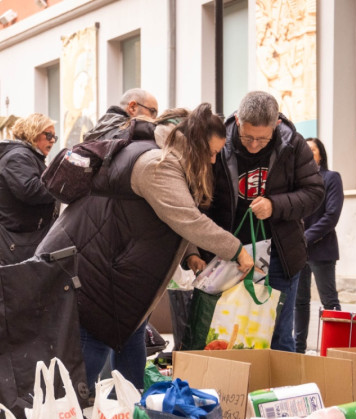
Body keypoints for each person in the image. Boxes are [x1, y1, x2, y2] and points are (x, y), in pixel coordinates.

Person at [37, 104, 253, 390]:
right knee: (90, 358)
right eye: (211, 152)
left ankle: (126, 417)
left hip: (119, 277)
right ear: (195, 145)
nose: (213, 161)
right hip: (99, 274)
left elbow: (168, 214)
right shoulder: (156, 164)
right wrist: (236, 249)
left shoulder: (168, 156)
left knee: (130, 348)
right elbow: (187, 218)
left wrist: (189, 254)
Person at [191, 90, 324, 352]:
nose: (253, 145)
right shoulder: (219, 143)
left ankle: (275, 392)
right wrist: (197, 251)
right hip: (226, 256)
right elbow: (199, 202)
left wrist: (276, 205)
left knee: (278, 335)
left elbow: (315, 193)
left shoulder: (293, 145)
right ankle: (232, 388)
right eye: (247, 136)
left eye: (262, 139)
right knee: (222, 332)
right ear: (238, 120)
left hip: (279, 256)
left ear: (276, 125)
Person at [294, 137, 343, 353]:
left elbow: (331, 216)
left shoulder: (332, 178)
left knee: (329, 302)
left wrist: (304, 237)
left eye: (312, 149)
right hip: (297, 251)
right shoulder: (296, 180)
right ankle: (298, 351)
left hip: (321, 249)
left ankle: (334, 350)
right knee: (300, 303)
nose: (308, 152)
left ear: (320, 154)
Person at [0, 113, 59, 265]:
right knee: (22, 287)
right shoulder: (18, 157)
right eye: (48, 135)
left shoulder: (29, 156)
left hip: (25, 240)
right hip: (19, 243)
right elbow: (31, 190)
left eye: (55, 137)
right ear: (33, 133)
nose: (52, 140)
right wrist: (63, 181)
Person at [84, 88, 159, 141]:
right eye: (153, 112)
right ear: (132, 107)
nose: (155, 119)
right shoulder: (125, 132)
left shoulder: (104, 127)